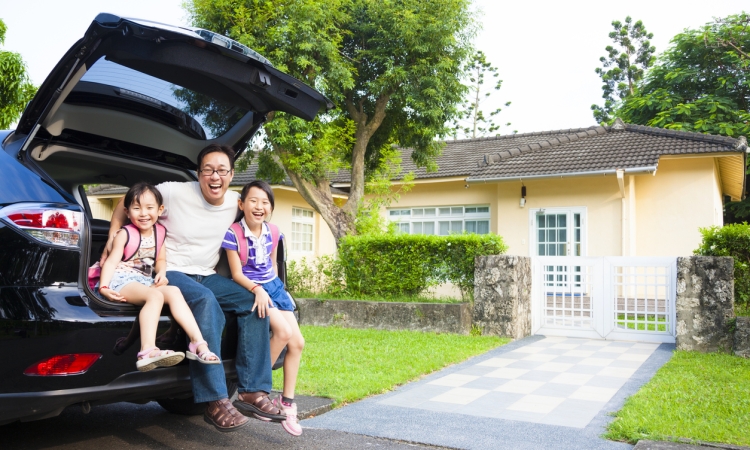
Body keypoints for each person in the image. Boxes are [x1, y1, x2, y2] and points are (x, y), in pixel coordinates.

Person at [102, 144, 285, 432]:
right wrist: (113, 245)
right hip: (169, 271)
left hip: (206, 273)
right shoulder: (174, 192)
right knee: (205, 300)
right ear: (198, 174)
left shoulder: (237, 203)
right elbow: (124, 206)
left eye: (222, 171)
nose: (215, 177)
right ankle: (214, 400)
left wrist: (264, 284)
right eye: (208, 170)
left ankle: (252, 391)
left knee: (252, 301)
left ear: (231, 174)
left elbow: (257, 225)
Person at [98, 182, 220, 372]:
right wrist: (104, 287)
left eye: (149, 208)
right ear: (127, 212)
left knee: (173, 291)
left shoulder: (159, 233)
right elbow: (111, 262)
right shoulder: (124, 234)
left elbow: (160, 259)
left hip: (145, 280)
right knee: (155, 296)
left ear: (160, 210)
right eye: (136, 208)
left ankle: (198, 344)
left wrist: (161, 273)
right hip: (122, 279)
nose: (143, 213)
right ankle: (147, 351)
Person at [222, 180, 305, 436]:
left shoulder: (274, 231)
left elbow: (272, 264)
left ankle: (286, 402)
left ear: (270, 207)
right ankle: (253, 390)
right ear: (241, 204)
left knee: (298, 343)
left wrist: (280, 289)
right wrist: (257, 290)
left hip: (274, 288)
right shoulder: (233, 233)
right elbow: (236, 274)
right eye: (254, 201)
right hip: (251, 288)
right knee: (282, 332)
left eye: (265, 202)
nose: (259, 206)